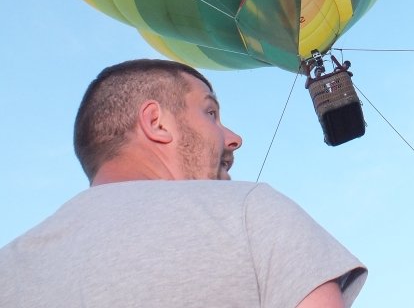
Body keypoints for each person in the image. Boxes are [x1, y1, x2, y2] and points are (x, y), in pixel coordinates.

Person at [0, 59, 367, 308]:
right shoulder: (249, 211)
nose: (234, 137)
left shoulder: (10, 266)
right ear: (156, 123)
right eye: (210, 112)